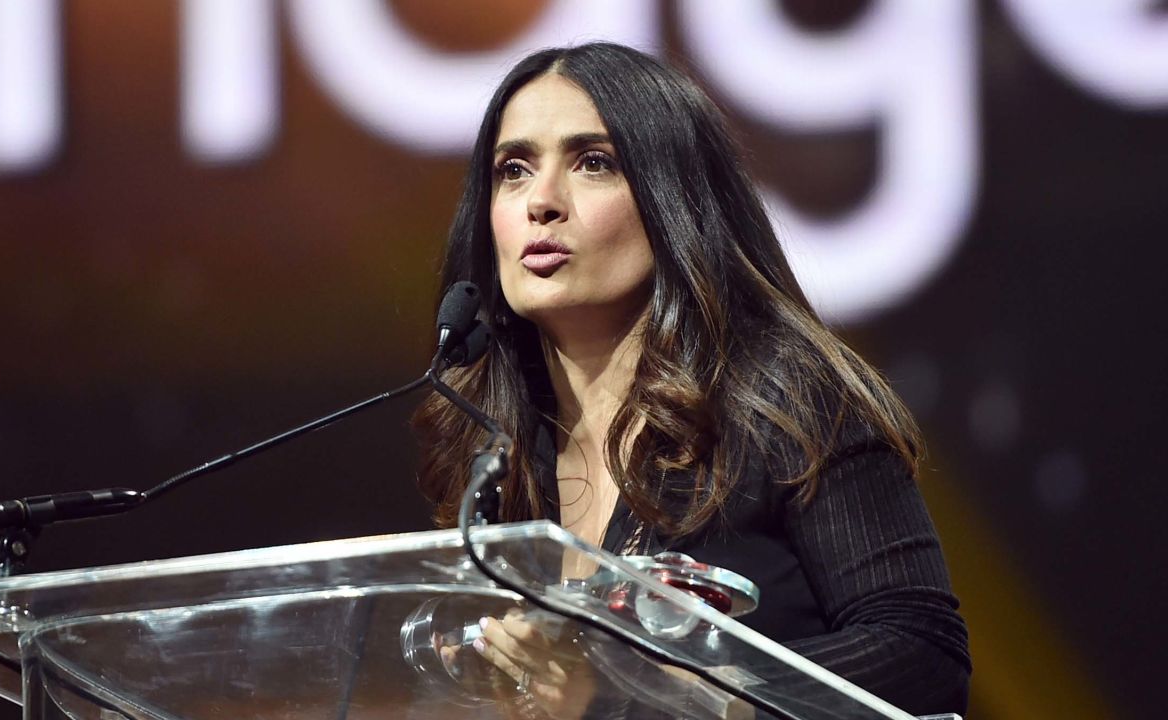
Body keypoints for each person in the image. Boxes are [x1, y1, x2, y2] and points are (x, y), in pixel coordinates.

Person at [412, 42, 970, 719]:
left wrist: (686, 701)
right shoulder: (496, 455)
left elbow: (920, 654)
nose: (541, 202)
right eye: (514, 169)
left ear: (672, 199)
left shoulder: (786, 400)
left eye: (594, 163)